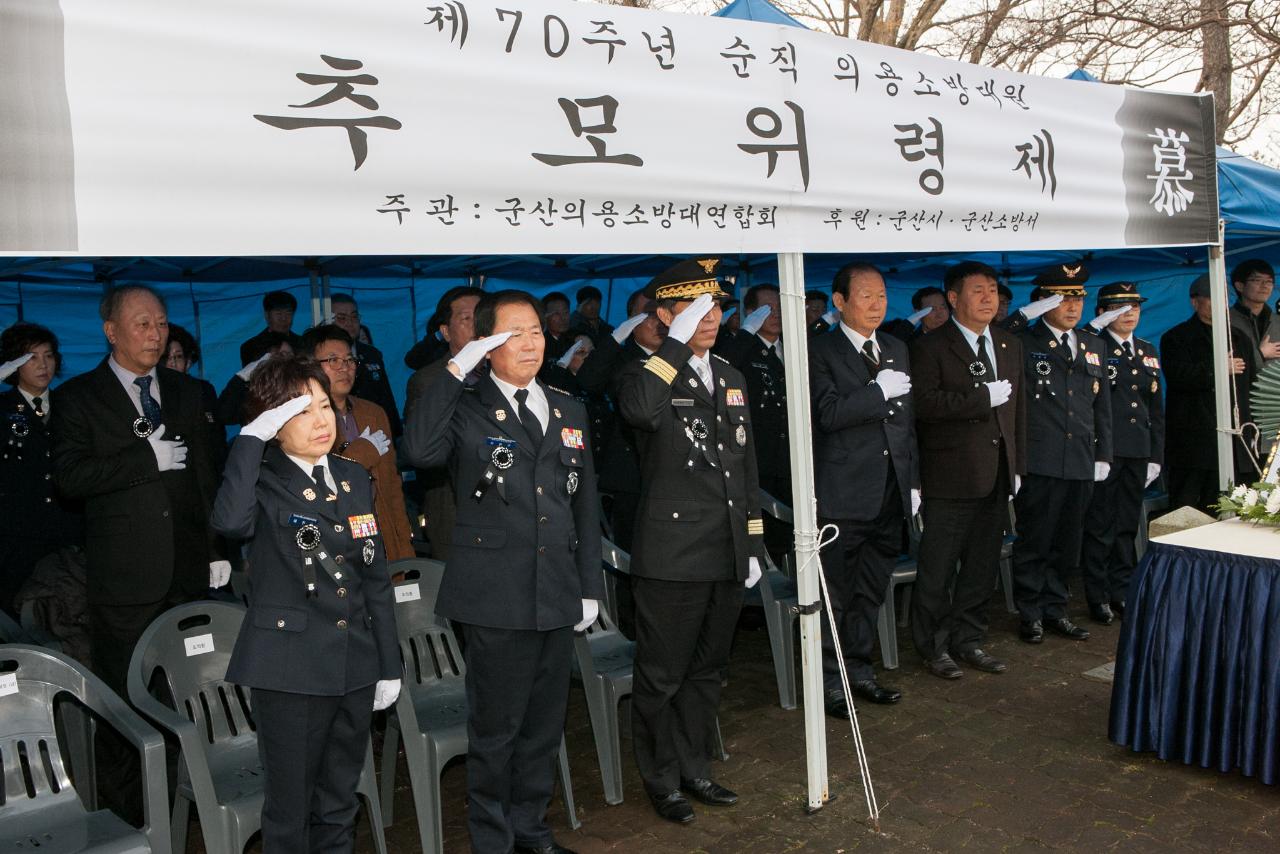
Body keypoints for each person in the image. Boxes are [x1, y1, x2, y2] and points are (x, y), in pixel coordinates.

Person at [401, 289, 603, 854]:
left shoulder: (567, 407)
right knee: (496, 730)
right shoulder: (462, 403)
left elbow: (585, 505)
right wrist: (457, 366)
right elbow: (418, 450)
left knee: (543, 726)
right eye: (513, 333)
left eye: (536, 330)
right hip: (496, 595)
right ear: (487, 344)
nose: (530, 343)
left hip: (558, 589)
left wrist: (590, 585)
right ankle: (492, 840)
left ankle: (532, 831)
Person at [211, 357, 401, 854]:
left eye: (324, 406)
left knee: (340, 800)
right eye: (300, 411)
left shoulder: (353, 476)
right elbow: (230, 523)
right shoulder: (262, 479)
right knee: (290, 809)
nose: (321, 421)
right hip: (291, 668)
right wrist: (250, 438)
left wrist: (388, 662)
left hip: (355, 662)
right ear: (273, 424)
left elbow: (374, 575)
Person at [51, 284, 226, 821]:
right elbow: (70, 477)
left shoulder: (188, 391)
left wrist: (217, 549)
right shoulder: (79, 397)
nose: (155, 334)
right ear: (111, 331)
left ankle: (191, 803)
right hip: (125, 580)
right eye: (142, 324)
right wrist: (141, 459)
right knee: (125, 702)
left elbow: (205, 478)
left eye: (162, 324)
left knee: (192, 694)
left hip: (187, 572)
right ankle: (131, 818)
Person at [616, 258, 765, 825]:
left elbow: (744, 466)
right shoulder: (644, 373)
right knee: (663, 673)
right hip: (672, 554)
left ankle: (695, 766)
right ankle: (661, 779)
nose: (710, 316)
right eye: (694, 308)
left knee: (707, 669)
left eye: (717, 306)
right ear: (665, 315)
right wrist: (673, 348)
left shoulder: (730, 375)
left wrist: (751, 544)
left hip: (725, 547)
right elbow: (641, 413)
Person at [809, 263, 918, 712]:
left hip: (889, 492)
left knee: (871, 588)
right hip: (843, 492)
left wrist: (913, 482)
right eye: (866, 296)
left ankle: (859, 669)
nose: (876, 305)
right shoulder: (819, 350)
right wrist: (877, 393)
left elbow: (906, 423)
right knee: (835, 591)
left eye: (882, 296)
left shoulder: (894, 346)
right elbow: (828, 414)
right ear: (839, 302)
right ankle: (829, 681)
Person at [910, 261, 1025, 680]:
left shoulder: (1009, 344)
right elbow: (924, 406)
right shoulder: (930, 347)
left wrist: (1017, 465)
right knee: (938, 568)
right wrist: (980, 398)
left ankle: (970, 639)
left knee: (981, 565)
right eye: (978, 290)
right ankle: (934, 646)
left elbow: (1017, 413)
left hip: (996, 472)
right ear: (953, 298)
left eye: (993, 290)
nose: (988, 298)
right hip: (950, 476)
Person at [1011, 264, 1112, 644]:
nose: (1073, 305)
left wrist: (1105, 454)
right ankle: (1031, 612)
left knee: (1068, 543)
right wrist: (1023, 316)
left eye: (1078, 297)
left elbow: (1100, 407)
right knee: (1036, 539)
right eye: (1062, 297)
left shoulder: (1092, 343)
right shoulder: (1024, 340)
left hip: (1081, 459)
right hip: (1042, 458)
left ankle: (1056, 609)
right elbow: (991, 339)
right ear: (1043, 301)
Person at [1080, 283, 1165, 623]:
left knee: (1128, 525)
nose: (1129, 313)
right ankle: (1097, 595)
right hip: (1106, 452)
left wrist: (1156, 456)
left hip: (1138, 452)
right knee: (1100, 525)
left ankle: (1123, 590)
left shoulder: (1146, 349)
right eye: (1118, 307)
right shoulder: (1093, 345)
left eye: (1134, 307)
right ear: (1102, 313)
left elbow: (1154, 409)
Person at [305, 324, 414, 563]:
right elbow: (317, 482)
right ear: (310, 367)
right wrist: (361, 453)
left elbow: (391, 484)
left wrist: (404, 541)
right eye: (333, 360)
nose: (345, 368)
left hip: (379, 528)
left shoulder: (373, 412)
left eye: (350, 360)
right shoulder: (302, 418)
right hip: (333, 539)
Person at [0, 323, 81, 616]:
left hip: (67, 530)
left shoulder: (69, 404)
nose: (43, 365)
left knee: (70, 609)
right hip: (19, 534)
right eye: (31, 357)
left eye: (48, 356)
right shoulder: (3, 407)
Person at [403, 285, 484, 560]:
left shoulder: (504, 373)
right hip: (453, 508)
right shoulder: (428, 381)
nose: (477, 325)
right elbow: (422, 452)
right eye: (466, 318)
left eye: (482, 316)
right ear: (446, 331)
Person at [1161, 274, 1253, 512]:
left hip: (1234, 438)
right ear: (1195, 302)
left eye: (1224, 298)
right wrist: (1218, 369)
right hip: (1193, 440)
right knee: (1188, 507)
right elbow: (1179, 376)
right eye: (1212, 298)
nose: (1220, 304)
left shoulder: (1239, 337)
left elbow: (1250, 385)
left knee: (1229, 506)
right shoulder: (1176, 337)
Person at [329, 293, 402, 437]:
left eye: (354, 317)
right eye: (342, 318)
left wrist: (395, 432)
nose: (349, 323)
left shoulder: (372, 353)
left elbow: (386, 395)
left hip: (374, 426)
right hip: (340, 429)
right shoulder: (324, 358)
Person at [164, 323, 225, 470]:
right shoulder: (151, 394)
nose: (172, 363)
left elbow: (217, 436)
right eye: (166, 357)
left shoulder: (204, 390)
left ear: (188, 362)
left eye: (178, 357)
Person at [218, 332, 296, 426]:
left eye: (290, 355)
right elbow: (223, 415)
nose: (287, 360)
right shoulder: (250, 392)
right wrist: (241, 376)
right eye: (281, 355)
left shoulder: (298, 386)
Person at [1228, 259, 1280, 372]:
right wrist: (1261, 354)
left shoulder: (1277, 321)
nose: (1265, 286)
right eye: (1257, 280)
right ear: (1239, 286)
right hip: (1240, 388)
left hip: (1274, 389)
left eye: (1269, 281)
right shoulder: (1226, 321)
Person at [240, 290, 305, 366]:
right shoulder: (251, 347)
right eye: (278, 313)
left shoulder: (303, 343)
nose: (283, 318)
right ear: (267, 315)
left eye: (288, 313)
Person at [881, 286, 949, 342]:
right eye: (932, 309)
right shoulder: (912, 343)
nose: (939, 315)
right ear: (918, 313)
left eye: (943, 307)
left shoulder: (957, 334)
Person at [542, 292, 575, 363]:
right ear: (545, 316)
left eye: (565, 312)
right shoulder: (540, 343)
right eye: (556, 314)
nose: (563, 318)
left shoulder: (575, 338)